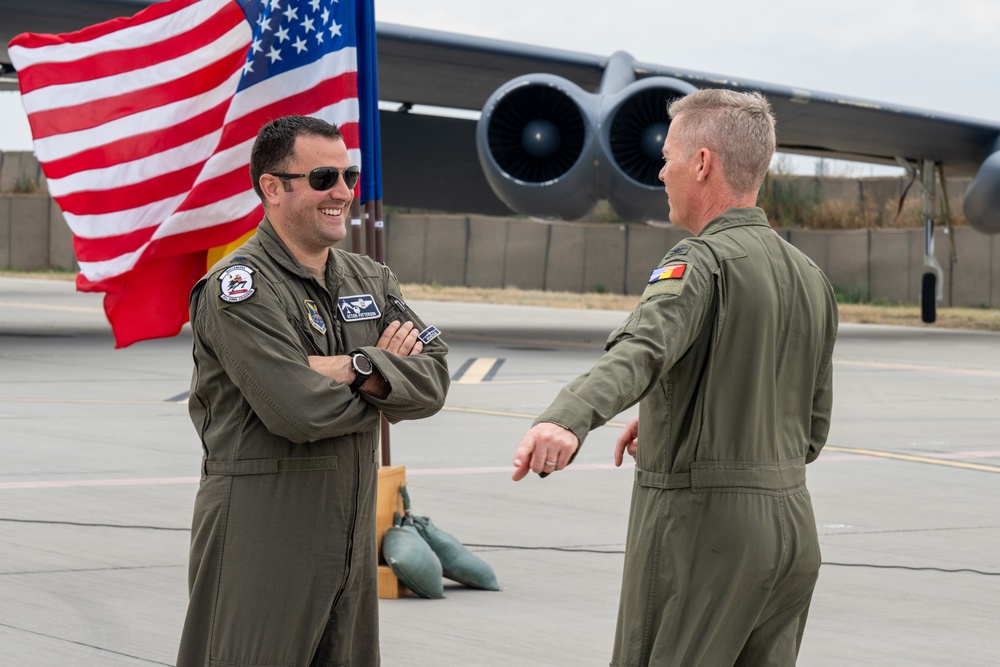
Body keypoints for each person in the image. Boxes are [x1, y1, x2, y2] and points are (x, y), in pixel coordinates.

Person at [512, 89, 838, 666]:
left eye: (667, 157)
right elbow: (808, 433)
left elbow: (640, 349)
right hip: (792, 534)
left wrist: (568, 416)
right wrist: (673, 414)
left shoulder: (700, 262)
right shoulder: (811, 277)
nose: (660, 173)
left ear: (703, 163)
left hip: (706, 537)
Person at [177, 115, 450, 667]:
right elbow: (297, 410)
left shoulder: (369, 279)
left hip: (349, 547)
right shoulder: (240, 288)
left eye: (349, 176)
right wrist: (385, 378)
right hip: (263, 540)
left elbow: (436, 378)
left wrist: (352, 367)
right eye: (324, 177)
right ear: (273, 189)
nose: (344, 193)